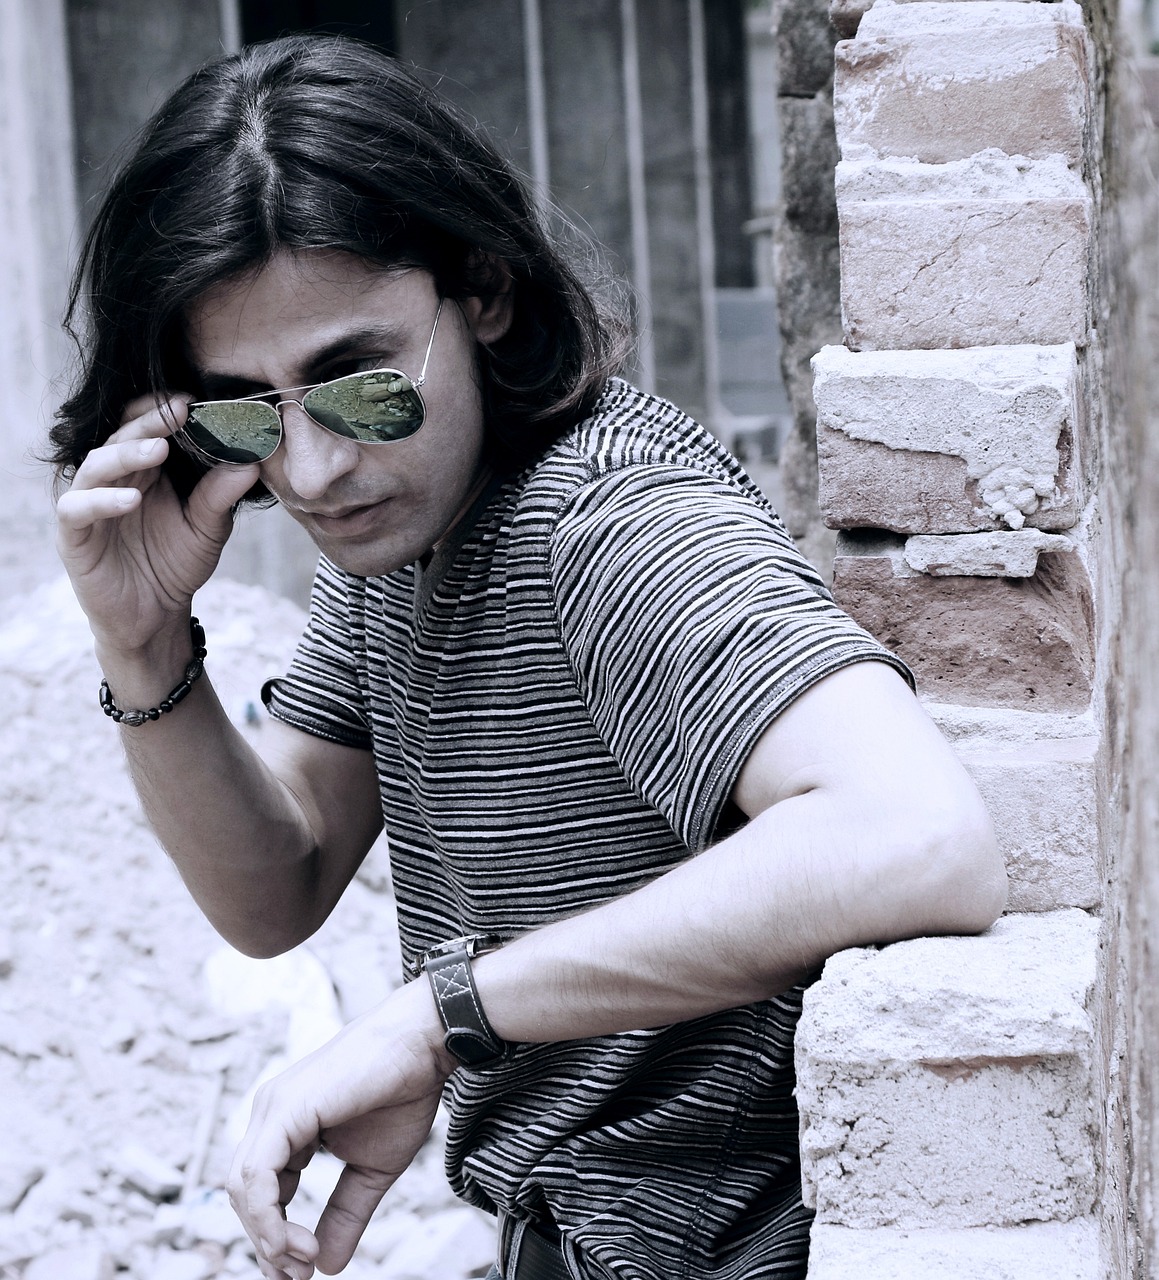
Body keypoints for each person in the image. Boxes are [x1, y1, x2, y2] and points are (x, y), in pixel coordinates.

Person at [50, 35, 1006, 1280]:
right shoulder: (405, 534)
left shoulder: (608, 519)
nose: (313, 468)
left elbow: (920, 834)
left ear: (485, 293)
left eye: (358, 382)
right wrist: (140, 642)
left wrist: (444, 1014)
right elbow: (274, 888)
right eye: (246, 413)